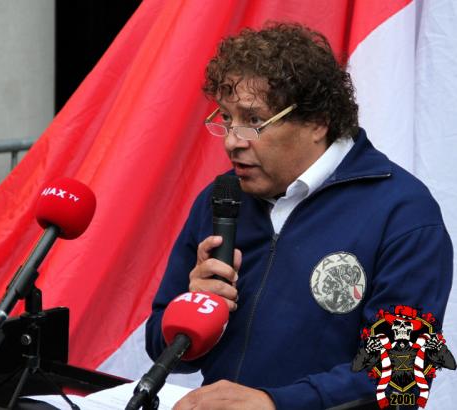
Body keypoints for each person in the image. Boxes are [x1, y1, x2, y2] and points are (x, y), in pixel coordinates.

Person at [145, 22, 453, 409]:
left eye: (253, 121)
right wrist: (193, 311)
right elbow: (159, 345)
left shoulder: (403, 214)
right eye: (225, 118)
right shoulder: (221, 201)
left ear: (317, 121)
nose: (232, 141)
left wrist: (275, 403)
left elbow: (401, 375)